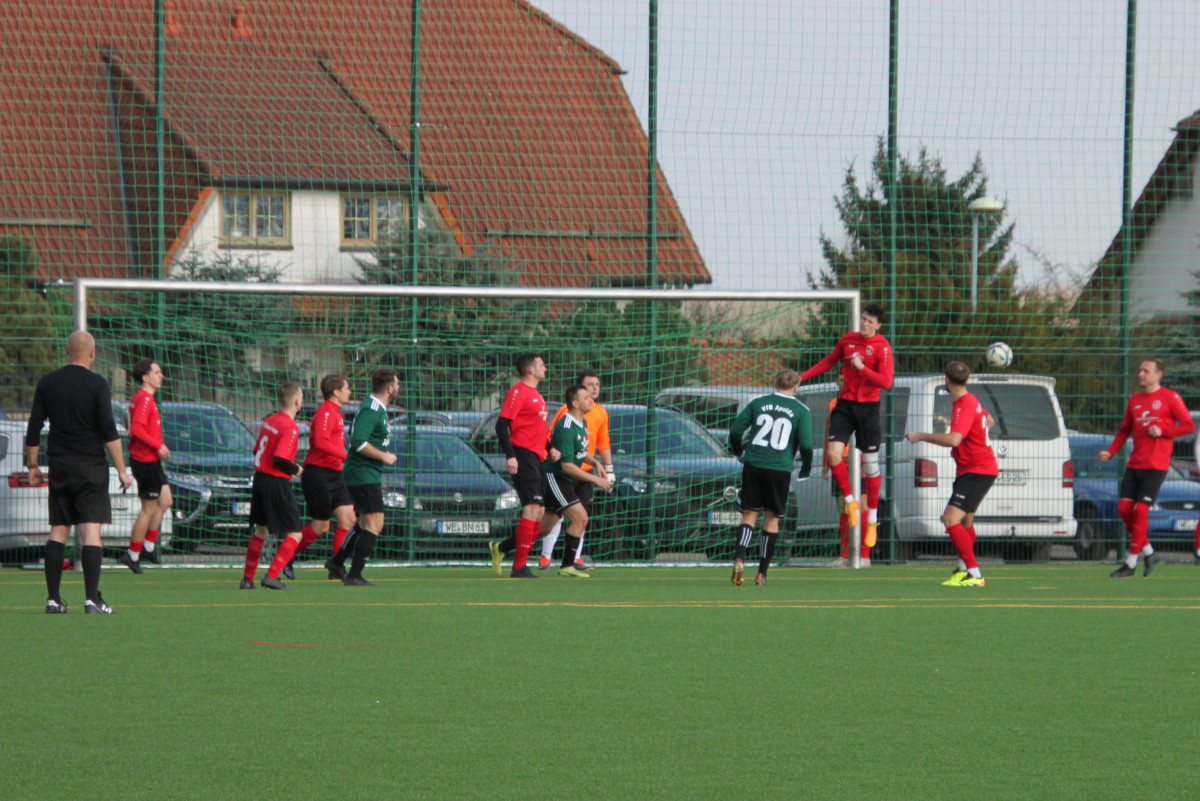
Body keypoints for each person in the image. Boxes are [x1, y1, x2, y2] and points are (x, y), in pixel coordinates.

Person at [26, 330, 133, 614]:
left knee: (58, 530)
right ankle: (92, 599)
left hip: (60, 463)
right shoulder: (98, 384)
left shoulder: (48, 382)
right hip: (90, 465)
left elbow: (34, 425)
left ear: (66, 351)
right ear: (93, 353)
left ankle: (53, 599)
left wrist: (33, 466)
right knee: (90, 531)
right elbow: (109, 431)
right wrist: (122, 470)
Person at [800, 303, 893, 546]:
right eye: (863, 319)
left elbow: (887, 382)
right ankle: (851, 501)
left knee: (871, 466)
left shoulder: (882, 347)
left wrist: (862, 369)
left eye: (870, 321)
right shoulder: (848, 340)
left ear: (878, 326)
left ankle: (872, 520)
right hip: (846, 405)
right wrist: (802, 377)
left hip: (869, 408)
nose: (865, 324)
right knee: (833, 454)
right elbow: (829, 362)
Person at [1100, 358, 1194, 578]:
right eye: (1140, 370)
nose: (1141, 374)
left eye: (1146, 371)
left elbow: (1188, 425)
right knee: (1124, 510)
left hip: (1157, 466)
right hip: (1135, 464)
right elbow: (1124, 430)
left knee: (1141, 511)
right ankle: (1149, 551)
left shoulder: (1170, 397)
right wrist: (1110, 452)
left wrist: (1163, 431)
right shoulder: (1134, 400)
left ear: (1158, 374)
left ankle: (1130, 563)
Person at [904, 362, 996, 587]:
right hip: (973, 469)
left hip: (977, 470)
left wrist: (920, 436)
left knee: (950, 519)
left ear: (947, 380)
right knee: (965, 522)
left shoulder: (964, 404)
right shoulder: (971, 400)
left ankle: (975, 575)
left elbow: (955, 439)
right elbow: (989, 421)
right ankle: (964, 570)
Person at [726, 369, 813, 586]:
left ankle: (739, 558)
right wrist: (805, 469)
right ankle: (761, 573)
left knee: (749, 513)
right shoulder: (801, 410)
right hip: (780, 469)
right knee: (772, 518)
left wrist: (738, 452)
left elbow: (736, 431)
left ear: (775, 384)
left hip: (754, 464)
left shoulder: (758, 402)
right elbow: (807, 445)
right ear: (796, 387)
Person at [326, 368, 400, 586]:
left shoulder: (377, 407)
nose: (398, 388)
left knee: (367, 523)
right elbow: (358, 442)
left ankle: (337, 562)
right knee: (375, 523)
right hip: (362, 473)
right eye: (396, 384)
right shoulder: (372, 408)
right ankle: (355, 575)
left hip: (366, 473)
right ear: (389, 388)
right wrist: (383, 456)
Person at [538, 368, 613, 571]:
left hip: (583, 471)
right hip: (563, 473)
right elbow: (554, 440)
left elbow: (602, 442)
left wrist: (603, 465)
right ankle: (548, 557)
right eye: (589, 386)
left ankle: (574, 559)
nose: (594, 390)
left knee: (579, 516)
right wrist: (552, 451)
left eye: (597, 385)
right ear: (578, 396)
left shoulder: (597, 413)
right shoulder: (567, 414)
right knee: (566, 516)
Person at [488, 353, 554, 578]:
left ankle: (503, 549)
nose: (546, 368)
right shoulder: (517, 392)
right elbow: (501, 425)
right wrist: (511, 455)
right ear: (531, 370)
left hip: (537, 458)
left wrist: (550, 446)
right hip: (523, 456)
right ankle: (519, 567)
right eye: (542, 365)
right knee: (532, 509)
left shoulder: (536, 395)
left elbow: (534, 430)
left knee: (540, 511)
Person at [287, 374, 356, 581]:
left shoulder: (336, 412)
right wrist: (345, 455)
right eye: (346, 388)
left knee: (348, 519)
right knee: (321, 527)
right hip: (318, 474)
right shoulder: (326, 411)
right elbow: (319, 442)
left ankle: (336, 566)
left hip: (335, 474)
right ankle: (285, 557)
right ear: (336, 392)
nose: (349, 391)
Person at [242, 382, 305, 590]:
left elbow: (257, 451)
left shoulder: (270, 419)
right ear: (297, 400)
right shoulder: (290, 426)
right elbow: (280, 458)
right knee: (296, 533)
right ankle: (272, 575)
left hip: (259, 480)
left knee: (261, 530)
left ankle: (247, 579)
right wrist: (294, 469)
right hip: (275, 483)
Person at [121, 359, 172, 574]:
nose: (161, 376)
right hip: (145, 460)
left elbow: (131, 426)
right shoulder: (143, 399)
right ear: (145, 377)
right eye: (157, 372)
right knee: (148, 509)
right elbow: (137, 430)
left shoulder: (144, 399)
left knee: (166, 500)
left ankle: (149, 547)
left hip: (151, 460)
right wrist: (158, 445)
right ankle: (132, 555)